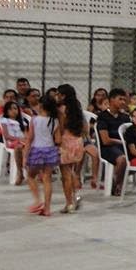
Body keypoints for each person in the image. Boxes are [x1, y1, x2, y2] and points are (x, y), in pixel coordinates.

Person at [25, 95, 62, 216]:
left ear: (40, 106)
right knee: (47, 179)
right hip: (50, 151)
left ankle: (37, 201)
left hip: (37, 150)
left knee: (31, 176)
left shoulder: (34, 120)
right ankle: (47, 208)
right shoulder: (55, 121)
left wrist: (25, 155)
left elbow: (30, 138)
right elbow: (58, 139)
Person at [55, 84, 86, 213]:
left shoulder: (61, 110)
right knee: (72, 171)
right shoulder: (77, 108)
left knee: (65, 175)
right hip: (77, 141)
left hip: (66, 142)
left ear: (63, 96)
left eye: (58, 94)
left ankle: (69, 203)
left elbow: (61, 127)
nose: (56, 96)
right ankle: (76, 196)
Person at [96, 89, 131, 196]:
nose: (123, 102)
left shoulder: (125, 117)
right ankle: (117, 184)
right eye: (120, 99)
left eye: (124, 100)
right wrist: (121, 142)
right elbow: (105, 140)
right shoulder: (103, 117)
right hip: (108, 148)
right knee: (122, 159)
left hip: (123, 146)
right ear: (111, 99)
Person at [0, 101, 28, 185]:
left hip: (23, 142)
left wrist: (25, 139)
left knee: (28, 147)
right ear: (6, 111)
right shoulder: (5, 120)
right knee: (20, 147)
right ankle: (21, 172)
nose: (13, 111)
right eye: (10, 109)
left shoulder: (22, 121)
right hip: (12, 142)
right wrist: (19, 139)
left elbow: (26, 134)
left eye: (15, 108)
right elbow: (6, 136)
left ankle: (30, 172)